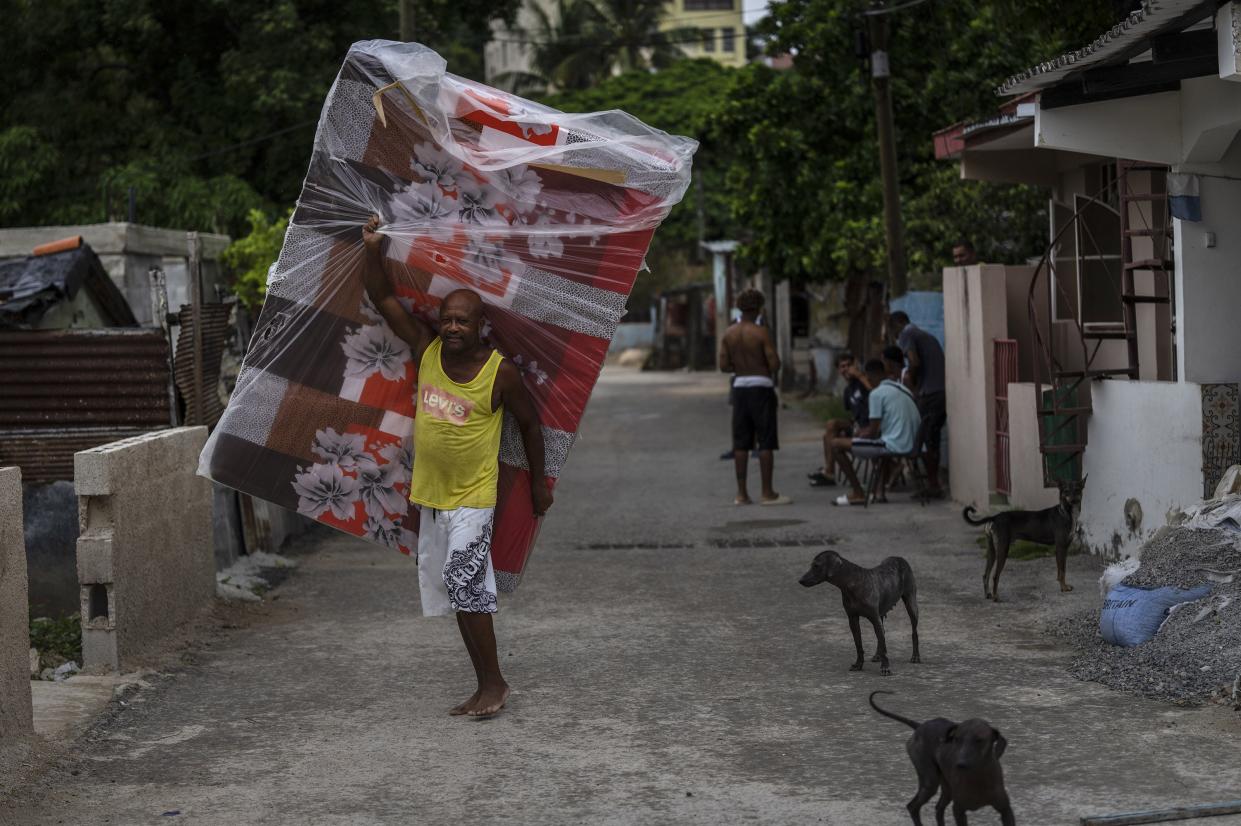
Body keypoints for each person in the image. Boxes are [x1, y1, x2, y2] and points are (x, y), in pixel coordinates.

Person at [362, 215, 553, 718]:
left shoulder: (499, 373)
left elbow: (531, 427)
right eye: (446, 317)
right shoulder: (426, 350)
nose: (451, 327)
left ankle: (495, 684)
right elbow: (382, 299)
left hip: (474, 495)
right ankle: (487, 683)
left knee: (465, 581)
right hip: (433, 495)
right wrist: (372, 251)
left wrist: (540, 486)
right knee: (459, 587)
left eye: (461, 321)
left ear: (480, 326)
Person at [719, 288, 791, 506]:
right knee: (765, 440)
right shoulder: (761, 333)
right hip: (761, 387)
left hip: (740, 387)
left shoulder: (729, 333)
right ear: (759, 308)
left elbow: (723, 366)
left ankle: (741, 494)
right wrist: (761, 365)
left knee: (741, 443)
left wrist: (739, 365)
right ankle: (767, 492)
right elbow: (775, 364)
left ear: (740, 307)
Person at [828, 354, 921, 506]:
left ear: (870, 376)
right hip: (914, 444)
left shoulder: (876, 394)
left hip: (895, 445)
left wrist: (859, 434)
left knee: (836, 444)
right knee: (879, 443)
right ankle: (878, 493)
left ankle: (858, 492)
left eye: (868, 377)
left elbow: (872, 432)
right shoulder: (901, 388)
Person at [889, 311, 947, 499]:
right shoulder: (926, 335)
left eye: (892, 329)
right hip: (941, 393)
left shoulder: (908, 334)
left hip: (929, 395)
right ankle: (932, 483)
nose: (894, 335)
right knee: (932, 439)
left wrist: (910, 380)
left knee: (923, 440)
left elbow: (914, 362)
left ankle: (932, 486)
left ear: (897, 323)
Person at [807, 351, 873, 487]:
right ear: (839, 370)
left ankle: (829, 472)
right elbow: (853, 414)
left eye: (849, 365)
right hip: (857, 425)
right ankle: (829, 472)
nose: (846, 369)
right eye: (843, 366)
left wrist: (860, 376)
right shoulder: (848, 391)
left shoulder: (864, 380)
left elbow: (877, 394)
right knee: (828, 435)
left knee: (832, 424)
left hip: (871, 426)